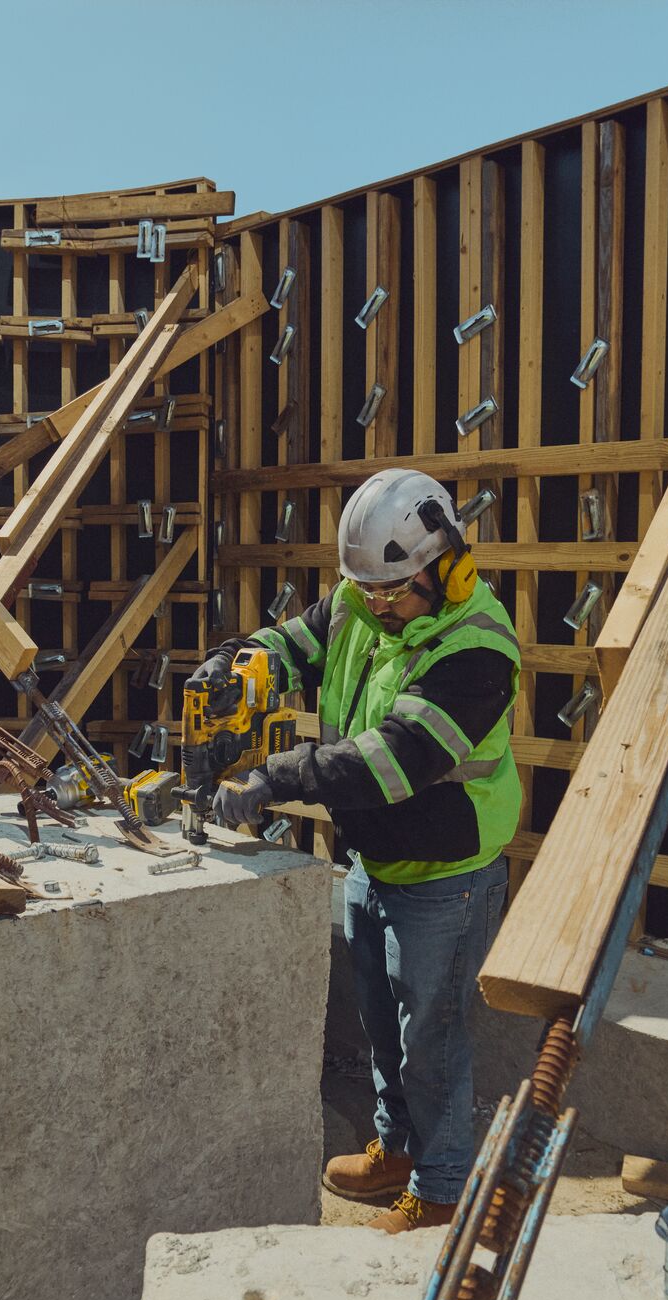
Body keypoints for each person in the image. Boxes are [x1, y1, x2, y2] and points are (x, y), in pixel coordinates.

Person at [194, 468, 522, 1234]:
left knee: (431, 1043)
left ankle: (441, 1191)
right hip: (372, 861)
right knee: (382, 1026)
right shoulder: (360, 603)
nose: (378, 605)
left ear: (449, 566)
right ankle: (396, 1149)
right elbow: (292, 642)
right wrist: (239, 663)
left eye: (395, 591)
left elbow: (394, 761)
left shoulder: (478, 649)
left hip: (448, 877)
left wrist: (273, 775)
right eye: (368, 590)